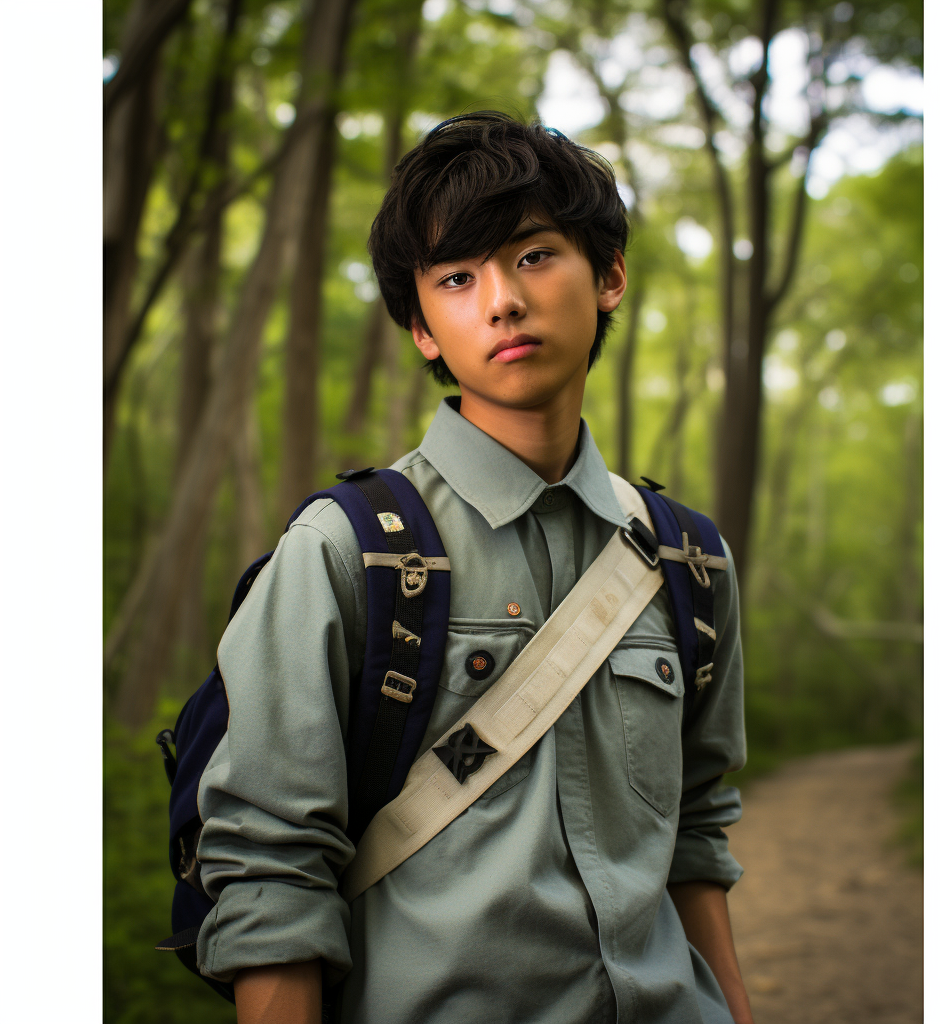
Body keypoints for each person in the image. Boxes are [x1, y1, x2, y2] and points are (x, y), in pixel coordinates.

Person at [195, 111, 753, 1024]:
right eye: (458, 277)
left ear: (608, 275)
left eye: (533, 255)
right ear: (422, 328)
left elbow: (695, 832)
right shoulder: (347, 550)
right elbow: (269, 871)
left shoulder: (689, 559)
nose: (501, 299)